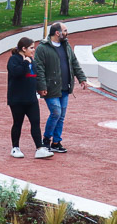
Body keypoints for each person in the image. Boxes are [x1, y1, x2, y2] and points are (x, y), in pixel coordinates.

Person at [34, 22, 89, 154]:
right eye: (65, 30)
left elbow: (74, 62)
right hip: (50, 88)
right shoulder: (42, 48)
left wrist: (82, 78)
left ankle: (56, 142)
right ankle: (46, 139)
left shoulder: (66, 46)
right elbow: (39, 69)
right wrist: (41, 86)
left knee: (61, 115)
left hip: (65, 87)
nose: (67, 33)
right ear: (57, 33)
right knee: (56, 112)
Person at [7, 38, 52, 159]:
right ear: (23, 48)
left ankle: (40, 148)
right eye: (31, 47)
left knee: (35, 123)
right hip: (17, 99)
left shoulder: (32, 61)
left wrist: (40, 88)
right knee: (17, 123)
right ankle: (15, 148)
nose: (33, 50)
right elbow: (16, 73)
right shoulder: (14, 60)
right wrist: (25, 62)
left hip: (31, 98)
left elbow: (34, 77)